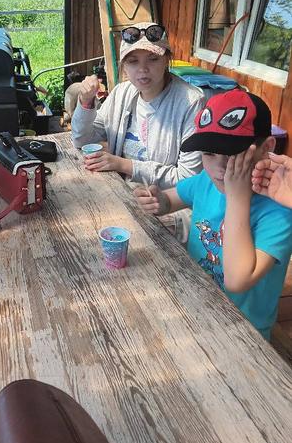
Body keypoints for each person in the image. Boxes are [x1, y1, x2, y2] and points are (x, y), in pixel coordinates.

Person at [134, 88, 292, 340]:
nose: (219, 168)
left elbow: (237, 281)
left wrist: (237, 197)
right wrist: (159, 201)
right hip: (196, 302)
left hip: (244, 331)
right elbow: (171, 199)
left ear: (267, 148)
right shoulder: (206, 181)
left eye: (233, 155)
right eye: (209, 154)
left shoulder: (279, 213)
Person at [71, 22, 205, 241]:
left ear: (167, 60)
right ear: (124, 65)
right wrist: (86, 103)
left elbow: (189, 180)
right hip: (122, 194)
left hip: (168, 207)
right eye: (133, 61)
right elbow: (83, 141)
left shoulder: (191, 102)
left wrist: (123, 164)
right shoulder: (122, 93)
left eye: (153, 59)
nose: (143, 69)